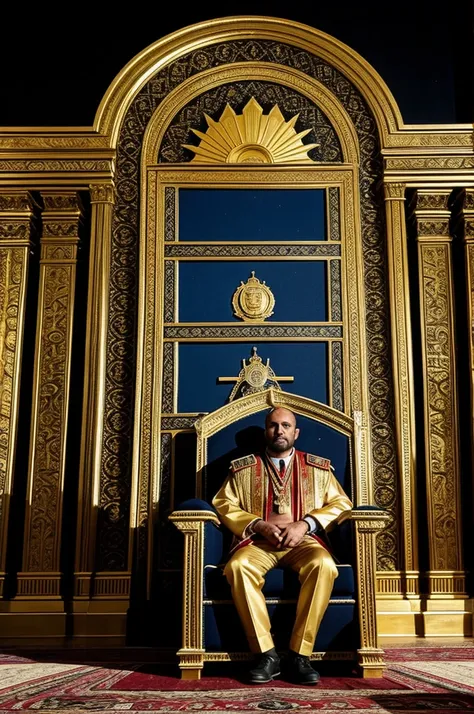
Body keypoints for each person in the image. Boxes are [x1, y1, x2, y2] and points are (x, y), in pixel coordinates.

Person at [212, 406, 353, 685]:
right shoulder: (242, 469)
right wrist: (257, 524)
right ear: (266, 431)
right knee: (238, 567)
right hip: (258, 543)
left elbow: (342, 503)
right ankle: (266, 654)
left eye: (286, 426)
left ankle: (301, 654)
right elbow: (223, 504)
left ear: (295, 432)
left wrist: (306, 524)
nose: (280, 431)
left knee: (324, 565)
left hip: (304, 542)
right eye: (274, 425)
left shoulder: (319, 468)